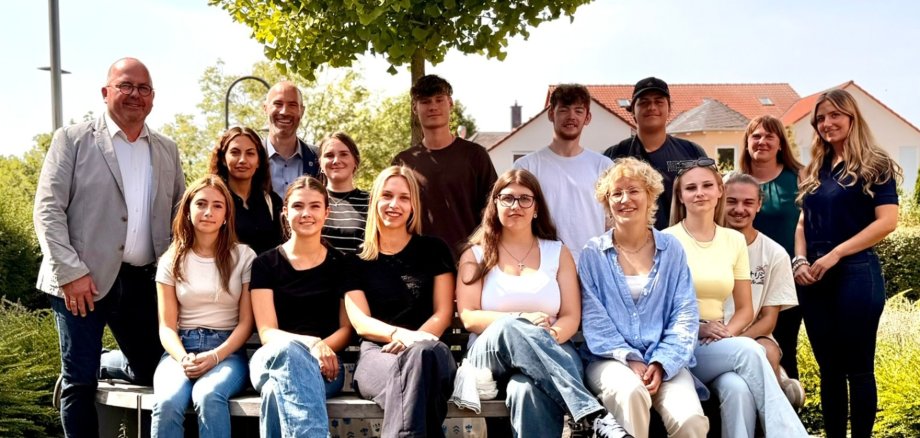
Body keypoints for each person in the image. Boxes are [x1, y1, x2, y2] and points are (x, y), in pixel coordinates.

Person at [33, 57, 185, 437]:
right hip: (81, 283)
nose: (135, 94)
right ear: (106, 92)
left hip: (141, 281)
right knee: (79, 382)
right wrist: (71, 272)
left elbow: (179, 217)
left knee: (155, 370)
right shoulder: (72, 139)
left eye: (143, 88)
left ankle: (108, 362)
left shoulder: (167, 150)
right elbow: (48, 210)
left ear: (153, 99)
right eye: (126, 86)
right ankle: (89, 366)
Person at [456, 169, 631, 438]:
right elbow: (468, 317)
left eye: (525, 199)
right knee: (512, 326)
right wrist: (521, 318)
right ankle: (591, 414)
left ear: (536, 207)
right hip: (489, 354)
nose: (516, 206)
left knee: (525, 390)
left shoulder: (557, 253)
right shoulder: (476, 254)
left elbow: (571, 316)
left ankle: (590, 416)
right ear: (495, 204)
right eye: (507, 199)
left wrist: (550, 335)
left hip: (552, 345)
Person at [664, 160, 807, 437]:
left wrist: (724, 335)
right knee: (751, 350)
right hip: (681, 343)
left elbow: (745, 309)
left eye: (707, 185)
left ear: (718, 190)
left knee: (737, 388)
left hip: (718, 342)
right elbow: (658, 311)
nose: (700, 193)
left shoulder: (733, 241)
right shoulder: (666, 241)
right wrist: (699, 327)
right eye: (691, 188)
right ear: (680, 196)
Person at [793, 89, 901, 438]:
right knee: (830, 371)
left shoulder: (875, 163)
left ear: (852, 117)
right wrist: (799, 261)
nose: (827, 123)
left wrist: (837, 253)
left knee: (858, 369)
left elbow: (887, 222)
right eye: (821, 118)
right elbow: (802, 223)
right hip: (814, 279)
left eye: (834, 115)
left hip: (856, 274)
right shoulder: (814, 169)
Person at [579, 157, 707, 438]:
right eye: (616, 193)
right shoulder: (592, 254)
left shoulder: (671, 249)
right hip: (609, 361)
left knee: (690, 419)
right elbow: (593, 319)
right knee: (630, 392)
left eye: (634, 190)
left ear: (650, 196)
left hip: (666, 362)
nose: (625, 199)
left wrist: (661, 363)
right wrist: (630, 359)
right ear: (607, 202)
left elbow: (684, 314)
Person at [344, 166, 457, 436]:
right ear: (375, 202)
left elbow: (443, 312)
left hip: (431, 348)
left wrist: (415, 340)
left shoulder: (433, 249)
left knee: (420, 359)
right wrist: (399, 335)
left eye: (404, 198)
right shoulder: (354, 260)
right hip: (377, 356)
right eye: (387, 195)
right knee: (414, 381)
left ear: (413, 205)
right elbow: (361, 322)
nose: (395, 204)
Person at [248, 176, 358, 437]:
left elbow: (346, 328)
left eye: (315, 206)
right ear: (285, 212)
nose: (306, 213)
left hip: (327, 364)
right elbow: (267, 333)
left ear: (326, 212)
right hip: (271, 358)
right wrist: (312, 344)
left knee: (275, 393)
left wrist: (323, 349)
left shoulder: (342, 264)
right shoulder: (265, 264)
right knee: (288, 351)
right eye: (297, 206)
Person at [151, 175, 256, 437]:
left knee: (208, 395)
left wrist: (216, 355)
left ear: (226, 215)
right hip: (181, 351)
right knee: (167, 402)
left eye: (218, 205)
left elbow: (246, 323)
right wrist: (182, 357)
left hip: (228, 353)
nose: (208, 212)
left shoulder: (244, 256)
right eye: (201, 204)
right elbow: (166, 326)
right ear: (188, 211)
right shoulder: (171, 259)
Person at [392, 74, 498, 258]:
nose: (433, 107)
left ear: (450, 103)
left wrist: (476, 251)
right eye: (425, 101)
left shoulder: (475, 155)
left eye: (439, 100)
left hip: (470, 260)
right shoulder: (404, 162)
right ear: (415, 109)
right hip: (419, 264)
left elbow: (493, 211)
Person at [722, 172, 804, 408]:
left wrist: (735, 342)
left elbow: (768, 320)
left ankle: (771, 417)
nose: (740, 209)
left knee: (767, 352)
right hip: (708, 334)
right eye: (731, 201)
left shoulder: (774, 253)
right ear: (719, 200)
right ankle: (779, 384)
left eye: (748, 202)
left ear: (759, 205)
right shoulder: (703, 245)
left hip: (752, 335)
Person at [513, 84, 612, 263]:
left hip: (593, 266)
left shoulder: (604, 166)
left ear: (588, 117)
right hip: (542, 266)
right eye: (564, 110)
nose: (571, 117)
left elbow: (612, 222)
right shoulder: (526, 167)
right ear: (551, 114)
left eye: (578, 110)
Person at [739, 115, 805, 380]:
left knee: (785, 350)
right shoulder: (735, 183)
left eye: (769, 136)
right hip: (746, 282)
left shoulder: (799, 178)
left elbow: (810, 226)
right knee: (748, 349)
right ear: (746, 143)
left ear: (780, 144)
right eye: (756, 136)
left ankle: (790, 415)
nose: (762, 142)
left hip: (786, 281)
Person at [604, 77, 707, 231]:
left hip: (683, 244)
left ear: (669, 109)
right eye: (644, 102)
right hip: (630, 246)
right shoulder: (614, 156)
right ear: (632, 110)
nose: (652, 107)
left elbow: (708, 201)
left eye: (659, 102)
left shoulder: (692, 153)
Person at [209, 126, 283, 255]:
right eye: (235, 152)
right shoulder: (212, 199)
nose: (243, 160)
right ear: (223, 159)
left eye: (250, 153)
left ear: (258, 161)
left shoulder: (271, 200)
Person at [263, 81, 320, 197]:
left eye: (292, 105)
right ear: (266, 108)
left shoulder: (318, 158)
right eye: (278, 104)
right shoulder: (251, 157)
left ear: (302, 111)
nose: (284, 111)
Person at [318, 132, 369, 254]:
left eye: (344, 154)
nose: (336, 160)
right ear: (320, 163)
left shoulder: (372, 202)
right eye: (329, 155)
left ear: (355, 161)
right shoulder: (310, 200)